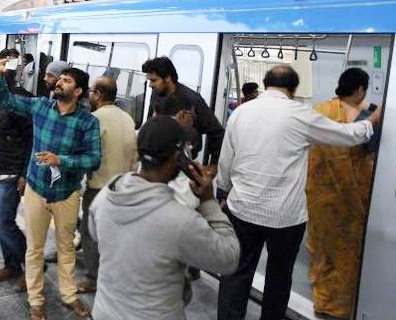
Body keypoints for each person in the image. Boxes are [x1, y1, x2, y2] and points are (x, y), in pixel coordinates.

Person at [215, 65, 382, 320]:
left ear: (265, 83)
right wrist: (371, 121)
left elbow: (226, 159)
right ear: (292, 89)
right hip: (286, 217)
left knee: (237, 274)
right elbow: (346, 135)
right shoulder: (301, 115)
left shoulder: (241, 112)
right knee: (279, 279)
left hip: (243, 209)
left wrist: (223, 190)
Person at [89, 115, 239, 320]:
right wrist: (208, 202)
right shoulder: (180, 221)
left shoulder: (108, 193)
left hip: (104, 312)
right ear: (178, 158)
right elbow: (228, 258)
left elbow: (95, 233)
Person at [0, 60, 101, 320]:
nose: (59, 82)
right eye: (60, 79)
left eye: (67, 81)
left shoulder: (87, 122)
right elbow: (6, 101)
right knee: (35, 248)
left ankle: (69, 295)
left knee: (65, 247)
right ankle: (36, 300)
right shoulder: (41, 106)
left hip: (67, 192)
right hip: (36, 189)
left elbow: (94, 159)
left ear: (78, 92)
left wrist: (62, 160)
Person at [306, 68, 378, 319]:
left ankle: (322, 299)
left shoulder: (319, 111)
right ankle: (338, 308)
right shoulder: (366, 119)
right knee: (346, 254)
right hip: (350, 198)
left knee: (322, 251)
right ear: (359, 89)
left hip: (319, 197)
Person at [76, 76, 137, 294]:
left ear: (98, 95)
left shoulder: (93, 119)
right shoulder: (128, 119)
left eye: (91, 91)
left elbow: (87, 155)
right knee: (114, 233)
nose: (89, 95)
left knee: (90, 233)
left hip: (99, 187)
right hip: (123, 186)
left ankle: (93, 277)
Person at [0, 64, 32, 288]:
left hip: (12, 172)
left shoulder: (17, 101)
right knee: (0, 222)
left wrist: (24, 174)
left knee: (4, 222)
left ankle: (32, 266)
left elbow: (31, 138)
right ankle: (11, 265)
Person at [142, 56, 224, 165]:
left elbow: (216, 132)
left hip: (182, 167)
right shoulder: (156, 95)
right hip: (158, 162)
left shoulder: (192, 100)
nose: (150, 85)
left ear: (167, 78)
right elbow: (151, 122)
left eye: (154, 80)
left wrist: (213, 165)